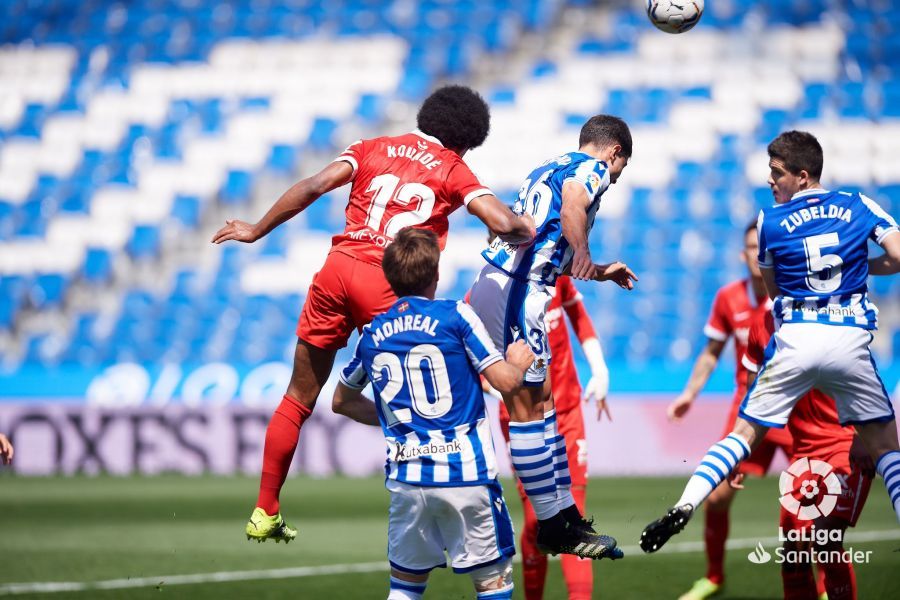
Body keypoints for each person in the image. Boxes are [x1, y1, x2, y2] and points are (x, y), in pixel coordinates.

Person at [213, 85, 536, 542]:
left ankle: (265, 509)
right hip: (389, 281)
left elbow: (314, 185)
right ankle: (445, 499)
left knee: (297, 399)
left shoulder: (371, 147)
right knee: (440, 386)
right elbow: (502, 223)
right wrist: (527, 226)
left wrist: (256, 229)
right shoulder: (453, 167)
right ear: (467, 140)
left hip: (336, 271)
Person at [641, 130, 900, 555]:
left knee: (741, 436)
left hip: (796, 339)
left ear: (802, 176)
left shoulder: (769, 222)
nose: (769, 180)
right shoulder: (860, 204)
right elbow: (898, 254)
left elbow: (774, 290)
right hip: (849, 340)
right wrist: (861, 266)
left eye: (776, 173)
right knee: (886, 448)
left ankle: (685, 503)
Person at [331, 228, 534, 600]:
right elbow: (505, 382)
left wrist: (401, 420)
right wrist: (518, 362)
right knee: (493, 585)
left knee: (405, 589)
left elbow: (341, 400)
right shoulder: (456, 315)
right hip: (465, 474)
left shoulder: (373, 334)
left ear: (389, 279)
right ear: (436, 274)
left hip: (408, 480)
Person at [468, 114, 637, 558]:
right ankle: (552, 526)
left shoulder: (550, 164)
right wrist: (584, 250)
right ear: (614, 151)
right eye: (620, 170)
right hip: (516, 290)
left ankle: (563, 515)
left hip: (514, 283)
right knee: (526, 405)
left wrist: (596, 271)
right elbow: (571, 207)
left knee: (544, 401)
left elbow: (544, 245)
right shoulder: (592, 169)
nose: (615, 180)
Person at [668, 222, 795, 600]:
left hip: (793, 408)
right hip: (748, 410)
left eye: (763, 246)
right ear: (744, 255)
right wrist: (690, 393)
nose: (757, 255)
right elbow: (711, 352)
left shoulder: (793, 297)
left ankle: (823, 586)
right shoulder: (729, 298)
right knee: (718, 496)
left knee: (809, 499)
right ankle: (714, 577)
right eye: (751, 248)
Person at [743, 308, 873, 600]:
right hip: (802, 456)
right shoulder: (760, 327)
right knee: (793, 557)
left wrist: (864, 433)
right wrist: (742, 454)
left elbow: (864, 374)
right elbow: (755, 401)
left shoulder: (832, 314)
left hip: (845, 445)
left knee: (825, 539)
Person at [495, 274, 610, 600]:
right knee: (536, 522)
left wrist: (599, 369)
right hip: (521, 417)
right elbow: (476, 356)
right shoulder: (486, 290)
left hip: (567, 413)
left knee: (574, 521)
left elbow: (581, 319)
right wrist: (497, 386)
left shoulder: (553, 276)